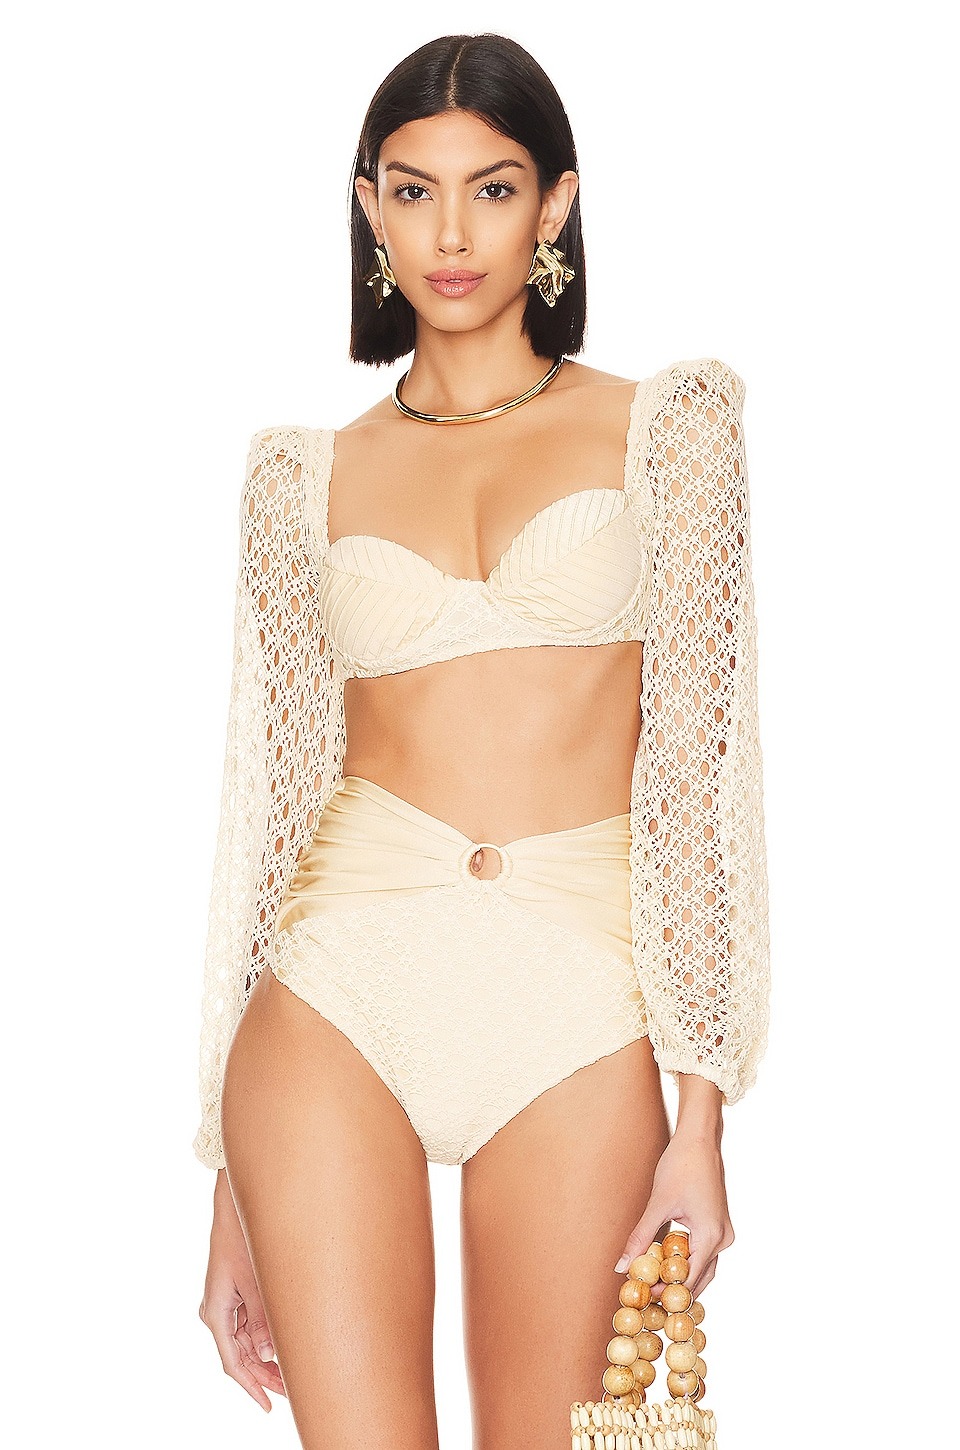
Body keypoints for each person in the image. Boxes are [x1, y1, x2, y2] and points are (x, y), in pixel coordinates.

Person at [194, 32, 770, 1450]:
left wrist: (700, 1111)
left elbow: (695, 776)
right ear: (370, 207)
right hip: (334, 988)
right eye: (414, 190)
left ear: (556, 204)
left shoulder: (669, 429)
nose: (451, 235)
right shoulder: (301, 476)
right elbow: (271, 811)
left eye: (493, 189)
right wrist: (229, 1185)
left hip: (577, 994)